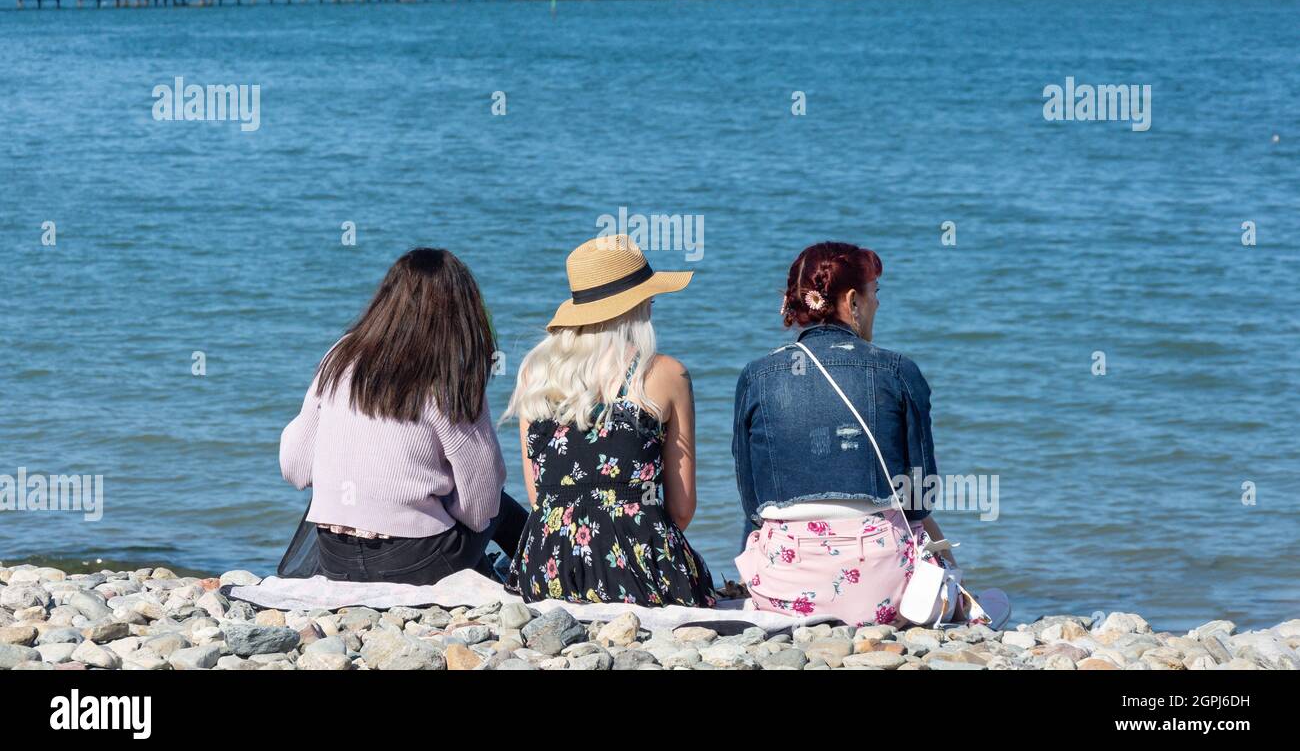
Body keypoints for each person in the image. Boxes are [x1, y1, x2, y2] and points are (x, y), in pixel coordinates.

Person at [732, 241, 1004, 626]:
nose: (877, 304)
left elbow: (752, 502)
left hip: (782, 587)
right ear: (853, 301)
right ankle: (962, 602)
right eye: (876, 294)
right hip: (881, 589)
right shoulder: (897, 370)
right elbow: (919, 497)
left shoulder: (756, 375)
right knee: (917, 524)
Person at [279, 247, 527, 585]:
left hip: (334, 558)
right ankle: (537, 574)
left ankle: (489, 571)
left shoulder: (340, 357)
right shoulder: (450, 374)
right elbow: (481, 500)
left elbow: (294, 467)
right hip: (412, 563)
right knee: (501, 508)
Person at [502, 234, 715, 606]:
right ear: (637, 304)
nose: (652, 302)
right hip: (638, 567)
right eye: (649, 295)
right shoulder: (665, 374)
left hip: (547, 567)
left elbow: (540, 498)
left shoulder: (535, 374)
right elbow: (682, 510)